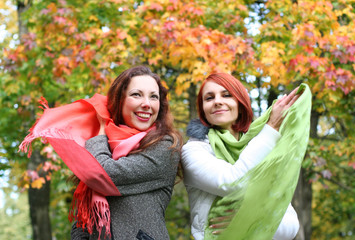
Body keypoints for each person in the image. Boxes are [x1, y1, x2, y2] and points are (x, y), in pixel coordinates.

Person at [20, 66, 182, 240]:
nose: (146, 104)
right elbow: (83, 219)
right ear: (119, 100)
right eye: (136, 94)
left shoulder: (165, 147)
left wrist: (100, 131)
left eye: (154, 97)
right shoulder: (105, 148)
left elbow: (101, 174)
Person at [182, 73, 310, 239]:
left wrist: (248, 219)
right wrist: (271, 128)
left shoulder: (263, 149)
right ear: (203, 110)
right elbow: (234, 182)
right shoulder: (194, 151)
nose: (218, 101)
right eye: (209, 98)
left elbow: (290, 226)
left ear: (240, 103)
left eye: (226, 95)